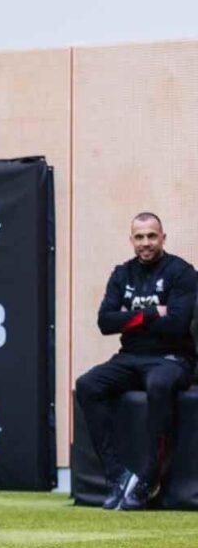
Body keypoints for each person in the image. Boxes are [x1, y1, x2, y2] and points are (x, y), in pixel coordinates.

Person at [76, 212, 197, 511]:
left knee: (159, 384)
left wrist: (128, 319)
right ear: (131, 240)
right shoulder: (122, 274)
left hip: (172, 358)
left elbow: (178, 324)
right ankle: (118, 475)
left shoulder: (182, 272)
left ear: (163, 238)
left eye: (152, 236)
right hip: (129, 358)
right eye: (139, 237)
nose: (146, 243)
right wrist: (152, 313)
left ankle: (148, 478)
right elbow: (105, 322)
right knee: (87, 384)